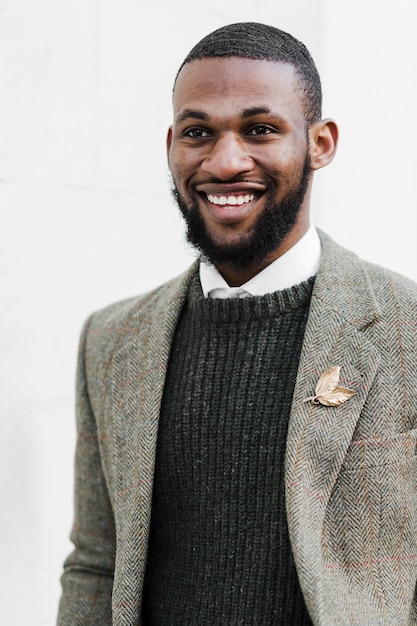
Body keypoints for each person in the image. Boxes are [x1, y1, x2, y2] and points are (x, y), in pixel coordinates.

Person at [57, 22, 417, 626]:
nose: (225, 162)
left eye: (260, 129)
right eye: (199, 132)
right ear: (172, 144)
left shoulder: (405, 329)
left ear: (321, 142)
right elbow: (96, 563)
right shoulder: (111, 340)